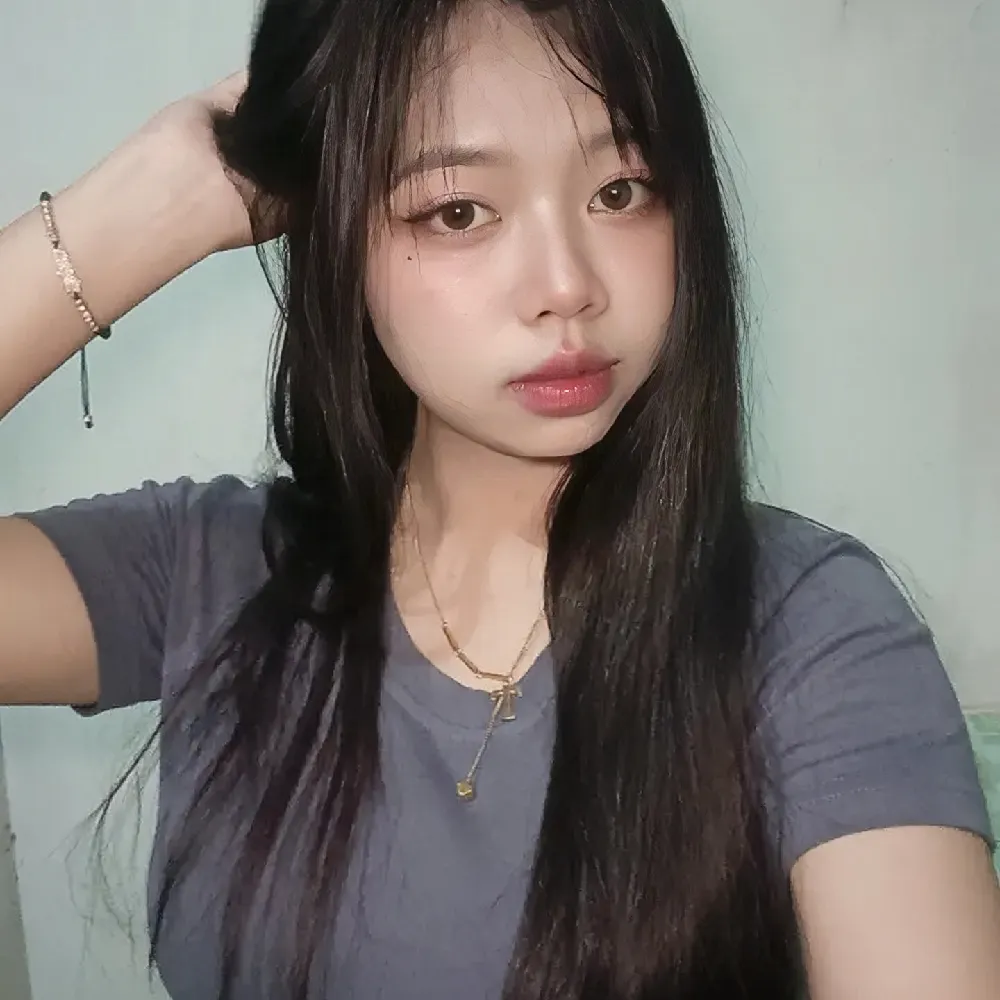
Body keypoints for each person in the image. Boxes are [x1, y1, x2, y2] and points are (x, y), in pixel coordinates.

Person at [1, 0, 998, 998]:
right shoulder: (212, 571)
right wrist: (151, 202)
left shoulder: (808, 630)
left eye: (620, 190)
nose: (566, 285)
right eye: (459, 211)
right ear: (336, 237)